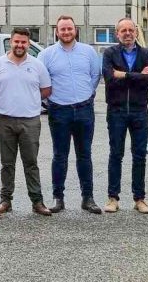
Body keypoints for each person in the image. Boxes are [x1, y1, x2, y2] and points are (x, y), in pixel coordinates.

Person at [38, 16, 103, 214]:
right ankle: (58, 198)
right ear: (56, 32)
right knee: (60, 156)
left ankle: (88, 198)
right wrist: (49, 102)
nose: (66, 32)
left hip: (84, 109)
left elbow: (95, 75)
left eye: (69, 29)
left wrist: (88, 95)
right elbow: (41, 81)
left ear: (75, 30)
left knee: (85, 155)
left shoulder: (88, 52)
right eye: (62, 29)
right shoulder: (46, 55)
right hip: (59, 111)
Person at [0, 27, 53, 217]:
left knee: (31, 163)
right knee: (7, 163)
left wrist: (29, 100)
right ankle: (5, 200)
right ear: (11, 42)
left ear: (28, 44)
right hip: (4, 120)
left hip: (30, 121)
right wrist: (5, 99)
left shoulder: (37, 65)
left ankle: (37, 201)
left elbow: (46, 89)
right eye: (16, 41)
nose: (20, 45)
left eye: (24, 42)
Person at [101, 18, 148, 214]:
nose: (127, 33)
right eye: (123, 30)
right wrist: (138, 75)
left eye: (130, 30)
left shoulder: (145, 53)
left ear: (135, 32)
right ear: (117, 34)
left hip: (139, 110)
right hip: (116, 111)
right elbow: (109, 77)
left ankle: (139, 199)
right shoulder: (109, 53)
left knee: (139, 155)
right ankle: (113, 197)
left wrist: (123, 75)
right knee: (116, 154)